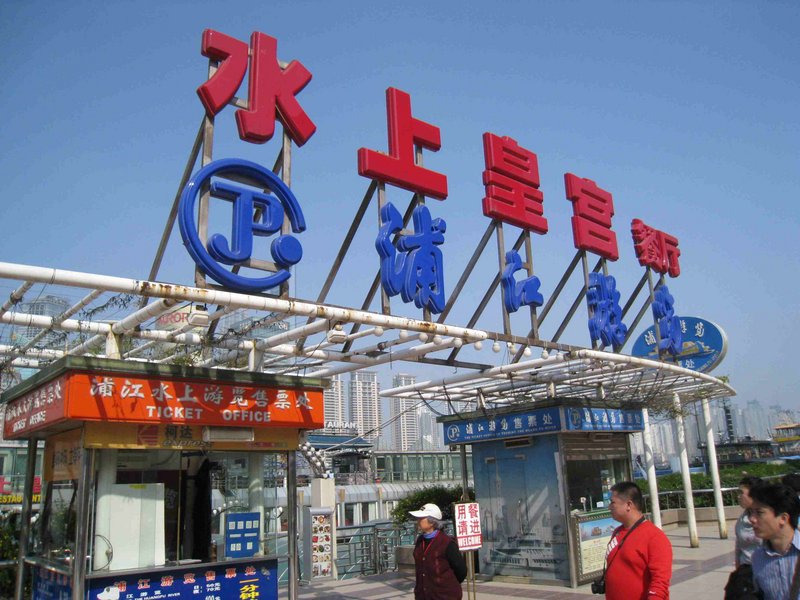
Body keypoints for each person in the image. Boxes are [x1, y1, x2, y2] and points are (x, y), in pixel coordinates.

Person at [604, 481, 672, 600]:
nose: (609, 507)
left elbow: (660, 581)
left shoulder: (655, 537)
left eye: (613, 503)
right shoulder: (617, 532)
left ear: (628, 505)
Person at [748, 483, 800, 599]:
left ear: (783, 518)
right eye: (751, 512)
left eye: (759, 512)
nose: (752, 519)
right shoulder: (758, 558)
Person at [409, 503, 467, 600]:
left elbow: (461, 571)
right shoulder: (420, 541)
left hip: (445, 596)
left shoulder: (447, 543)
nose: (418, 521)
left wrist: (447, 584)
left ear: (432, 522)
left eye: (421, 518)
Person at [736, 476, 764, 567]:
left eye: (741, 493)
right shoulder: (742, 518)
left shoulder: (769, 517)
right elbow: (739, 546)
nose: (738, 496)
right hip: (746, 568)